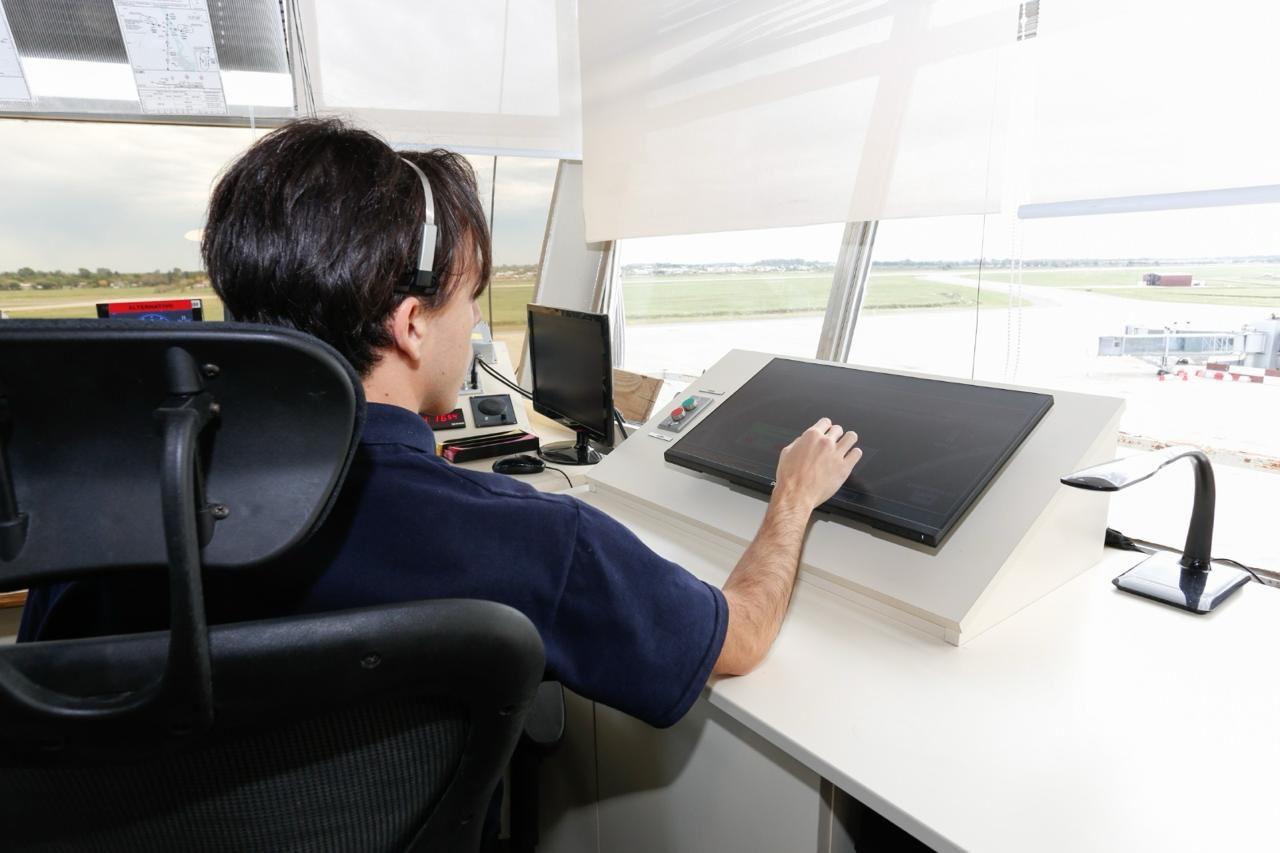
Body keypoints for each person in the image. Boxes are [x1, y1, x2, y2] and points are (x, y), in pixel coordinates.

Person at [19, 118, 862, 729]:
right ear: (413, 323)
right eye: (468, 297)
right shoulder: (539, 541)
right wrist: (792, 500)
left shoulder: (92, 512)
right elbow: (736, 636)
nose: (470, 325)